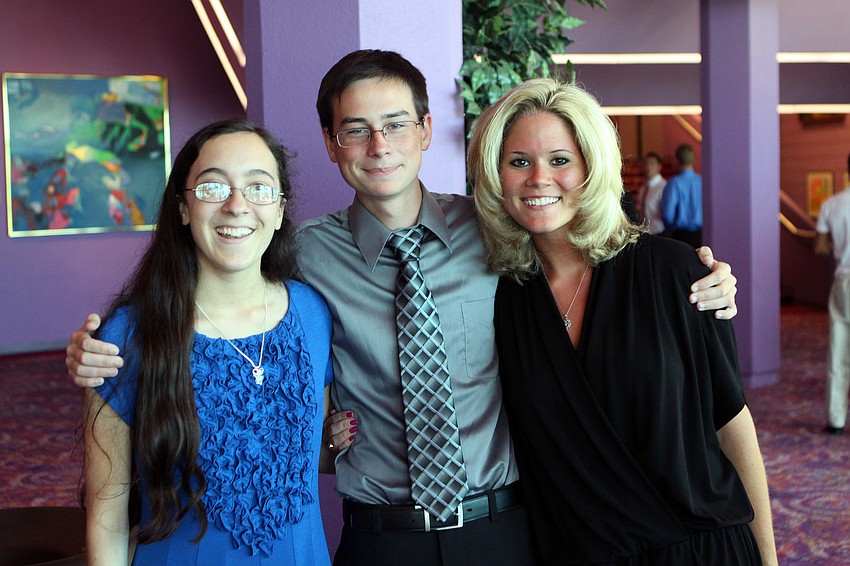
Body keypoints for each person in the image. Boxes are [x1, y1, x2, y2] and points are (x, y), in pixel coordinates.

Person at [67, 51, 740, 566]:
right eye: (355, 131)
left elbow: (592, 256)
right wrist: (100, 343)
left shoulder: (496, 231)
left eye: (394, 125)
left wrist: (701, 279)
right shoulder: (299, 255)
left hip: (503, 528)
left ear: (424, 131)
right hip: (380, 538)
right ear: (331, 145)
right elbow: (224, 289)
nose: (378, 146)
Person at [468, 79, 777, 565]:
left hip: (702, 551)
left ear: (592, 168)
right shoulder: (500, 296)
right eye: (519, 162)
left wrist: (769, 561)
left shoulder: (676, 271)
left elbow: (733, 428)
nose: (538, 178)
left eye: (560, 160)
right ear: (495, 176)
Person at [82, 119, 335, 564]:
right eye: (213, 187)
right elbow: (108, 516)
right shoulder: (127, 335)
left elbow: (313, 454)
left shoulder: (312, 313)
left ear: (278, 210)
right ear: (183, 207)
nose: (237, 206)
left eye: (258, 188)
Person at [815, 153, 850, 436]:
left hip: (843, 279)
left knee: (838, 350)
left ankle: (836, 418)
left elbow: (820, 248)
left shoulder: (832, 204)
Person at [661, 143, 703, 247]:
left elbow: (667, 213)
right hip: (701, 234)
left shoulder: (674, 183)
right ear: (694, 159)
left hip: (680, 235)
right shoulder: (701, 181)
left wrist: (670, 227)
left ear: (677, 160)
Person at [636, 151, 666, 234]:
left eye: (652, 163)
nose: (649, 167)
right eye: (646, 163)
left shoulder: (663, 187)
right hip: (646, 231)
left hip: (659, 231)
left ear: (659, 166)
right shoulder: (643, 188)